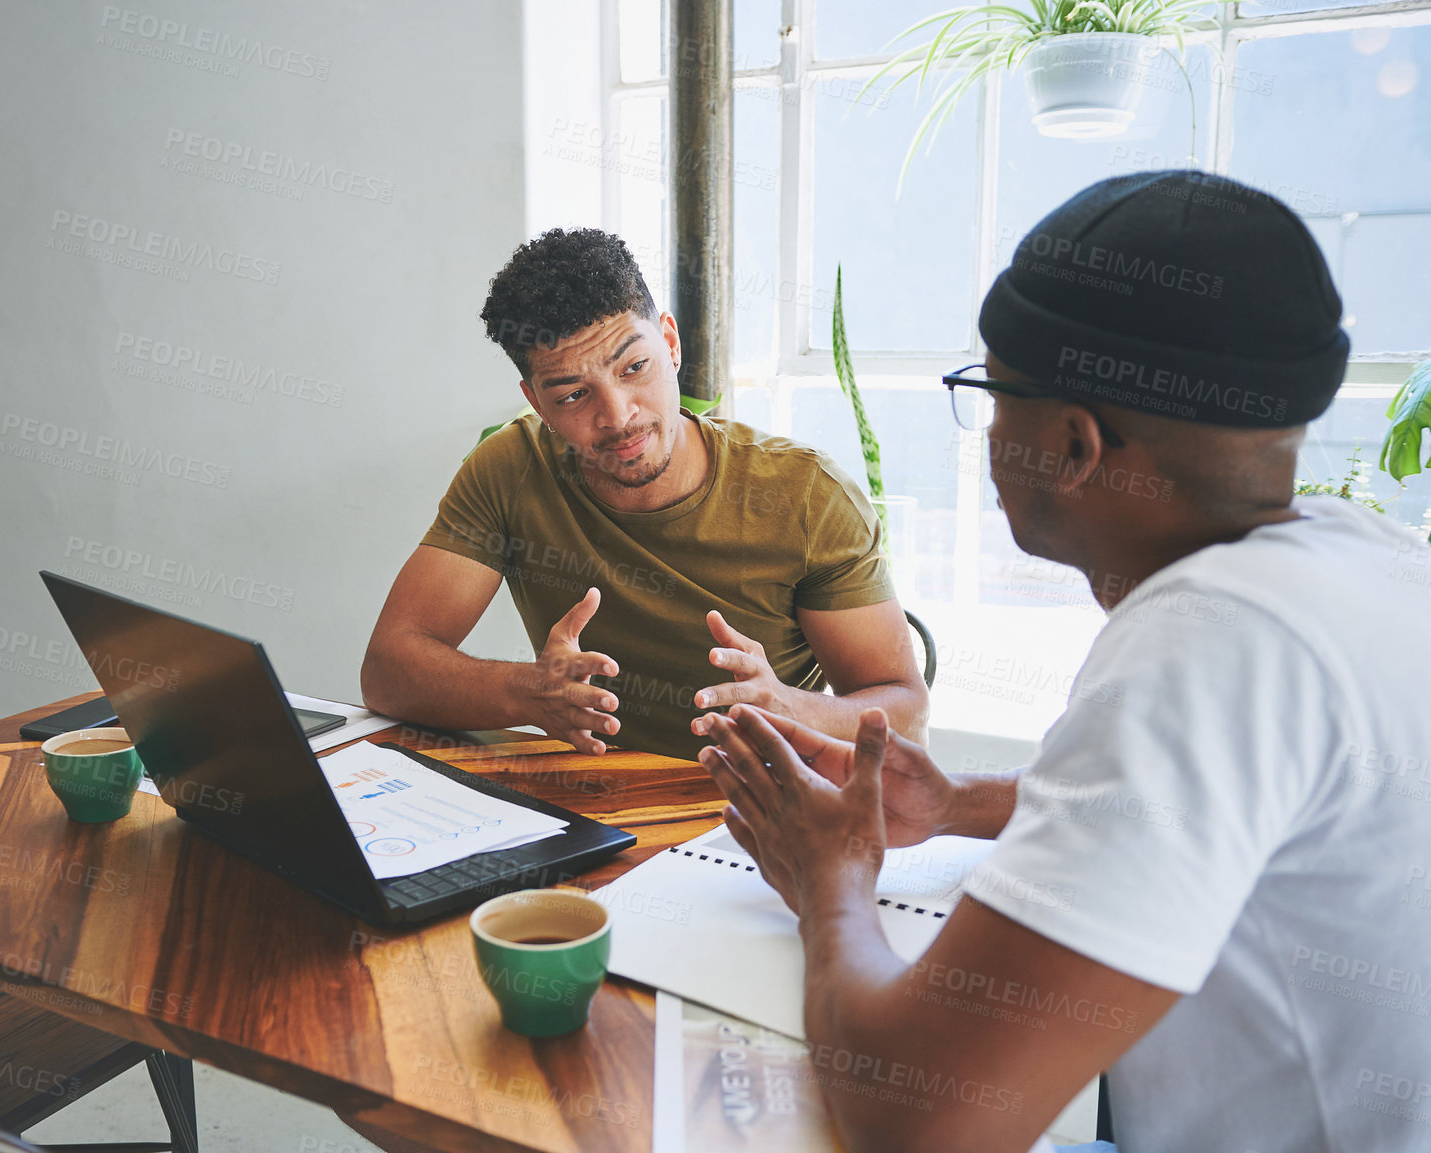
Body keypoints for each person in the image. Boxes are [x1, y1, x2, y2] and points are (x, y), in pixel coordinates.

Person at [698, 170, 1431, 1152]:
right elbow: (1223, 813)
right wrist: (958, 800)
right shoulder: (1367, 554)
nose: (990, 433)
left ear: (1072, 445)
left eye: (992, 395)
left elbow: (916, 1120)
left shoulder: (1205, 643)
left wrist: (826, 875)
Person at [361, 227, 928, 762]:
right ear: (535, 403)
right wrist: (525, 692)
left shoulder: (806, 495)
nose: (619, 416)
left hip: (758, 818)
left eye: (634, 367)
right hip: (588, 812)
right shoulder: (511, 470)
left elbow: (907, 717)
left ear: (671, 343)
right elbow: (388, 670)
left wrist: (789, 706)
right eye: (573, 396)